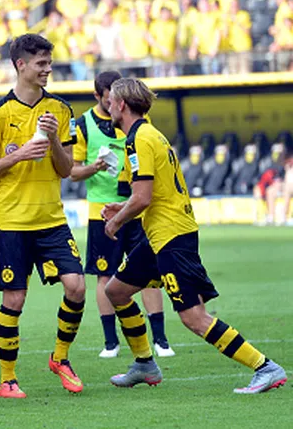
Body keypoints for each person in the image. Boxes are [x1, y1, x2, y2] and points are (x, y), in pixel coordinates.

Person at [102, 77, 288, 393]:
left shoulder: (139, 140)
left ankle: (265, 366)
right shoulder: (152, 135)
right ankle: (145, 363)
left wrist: (117, 220)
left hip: (172, 237)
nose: (107, 105)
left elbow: (143, 197)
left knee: (193, 317)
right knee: (116, 291)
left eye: (110, 101)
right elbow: (153, 192)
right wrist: (124, 205)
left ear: (120, 104)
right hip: (162, 234)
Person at [0, 34, 86, 399]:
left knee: (77, 286)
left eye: (49, 62)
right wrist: (19, 155)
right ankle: (7, 378)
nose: (48, 69)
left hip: (51, 218)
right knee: (14, 301)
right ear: (21, 65)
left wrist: (54, 140)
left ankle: (60, 357)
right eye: (41, 63)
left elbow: (67, 169)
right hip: (12, 222)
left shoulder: (61, 110)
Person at [70, 71, 174, 359]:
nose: (111, 104)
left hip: (136, 208)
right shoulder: (83, 125)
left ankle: (161, 339)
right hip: (101, 210)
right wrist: (96, 167)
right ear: (98, 97)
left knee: (148, 275)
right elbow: (71, 171)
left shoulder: (140, 125)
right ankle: (110, 342)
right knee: (105, 275)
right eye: (107, 99)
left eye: (114, 99)